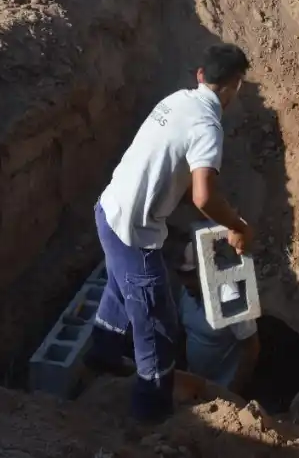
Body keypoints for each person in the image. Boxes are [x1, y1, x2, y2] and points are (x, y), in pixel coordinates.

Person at [86, 43, 255, 422]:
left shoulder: (178, 99)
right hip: (135, 231)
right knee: (157, 328)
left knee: (118, 285)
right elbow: (202, 196)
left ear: (200, 74)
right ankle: (151, 413)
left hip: (108, 210)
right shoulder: (208, 126)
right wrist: (237, 226)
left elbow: (172, 164)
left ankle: (103, 355)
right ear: (235, 86)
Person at [177, 242, 260, 395]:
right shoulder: (186, 292)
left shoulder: (230, 296)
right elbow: (183, 332)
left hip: (223, 389)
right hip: (195, 383)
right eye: (184, 275)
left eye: (192, 275)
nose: (186, 282)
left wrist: (233, 392)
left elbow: (251, 347)